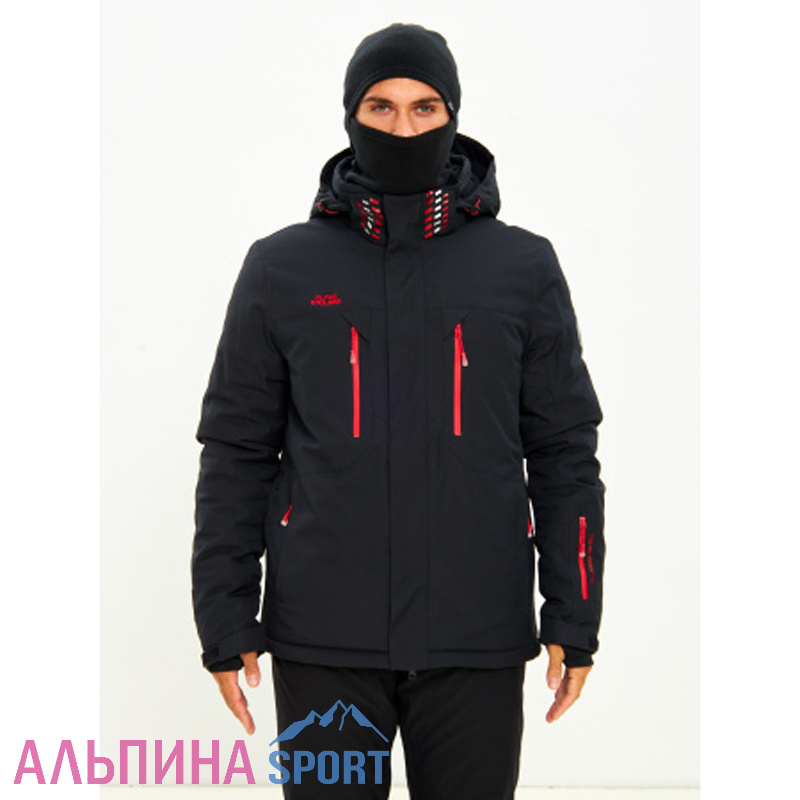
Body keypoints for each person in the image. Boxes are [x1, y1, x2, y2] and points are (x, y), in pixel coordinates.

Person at [192, 22, 605, 799]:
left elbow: (564, 452)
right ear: (351, 115)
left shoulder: (521, 267)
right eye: (380, 107)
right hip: (324, 635)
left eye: (425, 107)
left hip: (476, 635)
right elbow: (236, 453)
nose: (404, 127)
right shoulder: (282, 268)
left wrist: (574, 615)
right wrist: (225, 617)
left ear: (453, 115)